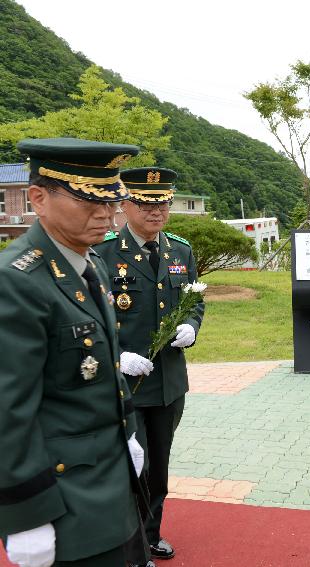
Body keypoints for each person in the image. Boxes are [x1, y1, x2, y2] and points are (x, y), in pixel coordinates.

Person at [0, 138, 148, 567]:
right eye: (87, 200)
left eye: (111, 200)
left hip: (110, 485)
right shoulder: (18, 281)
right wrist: (25, 515)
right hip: (62, 500)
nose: (105, 213)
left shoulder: (89, 264)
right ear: (39, 198)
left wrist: (130, 432)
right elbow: (9, 410)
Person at [94, 167, 204, 565]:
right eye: (145, 204)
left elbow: (196, 300)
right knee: (129, 465)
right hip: (126, 384)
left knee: (158, 466)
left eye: (162, 204)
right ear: (125, 205)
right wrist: (118, 354)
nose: (155, 213)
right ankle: (128, 544)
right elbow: (92, 316)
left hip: (169, 382)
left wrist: (191, 325)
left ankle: (151, 535)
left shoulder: (180, 250)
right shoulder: (104, 252)